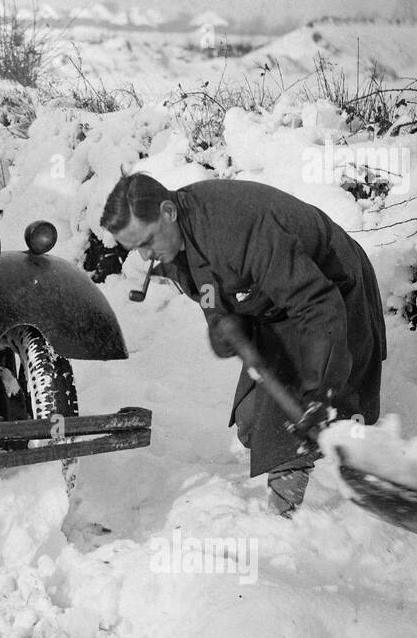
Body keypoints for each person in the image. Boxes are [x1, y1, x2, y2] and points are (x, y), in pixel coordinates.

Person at [101, 173, 386, 515]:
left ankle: (286, 519)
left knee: (289, 421)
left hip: (329, 288)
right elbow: (208, 291)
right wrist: (221, 323)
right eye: (137, 248)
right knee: (252, 420)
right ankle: (319, 445)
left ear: (168, 211)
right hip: (275, 303)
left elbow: (317, 305)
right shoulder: (175, 241)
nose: (146, 256)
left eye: (147, 241)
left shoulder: (239, 229)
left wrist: (319, 391)